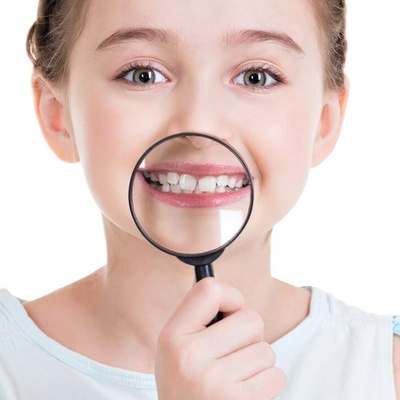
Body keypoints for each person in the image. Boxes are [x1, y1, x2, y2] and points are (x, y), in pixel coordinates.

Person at [0, 0, 398, 398]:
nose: (199, 123)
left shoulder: (386, 371)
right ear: (57, 113)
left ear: (324, 122)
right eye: (142, 74)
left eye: (256, 77)